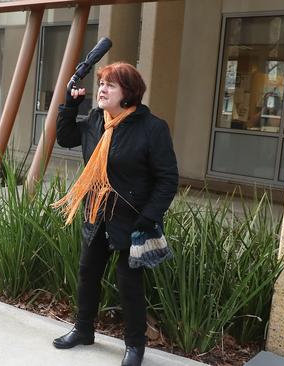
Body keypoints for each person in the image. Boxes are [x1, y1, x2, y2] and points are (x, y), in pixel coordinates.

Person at [51, 62, 178, 366]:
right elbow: (65, 137)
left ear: (128, 93)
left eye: (110, 85)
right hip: (96, 213)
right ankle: (83, 330)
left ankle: (135, 345)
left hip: (133, 220)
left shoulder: (152, 128)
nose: (102, 89)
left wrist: (148, 217)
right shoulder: (97, 120)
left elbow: (167, 179)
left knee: (128, 283)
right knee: (87, 274)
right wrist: (70, 104)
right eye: (102, 83)